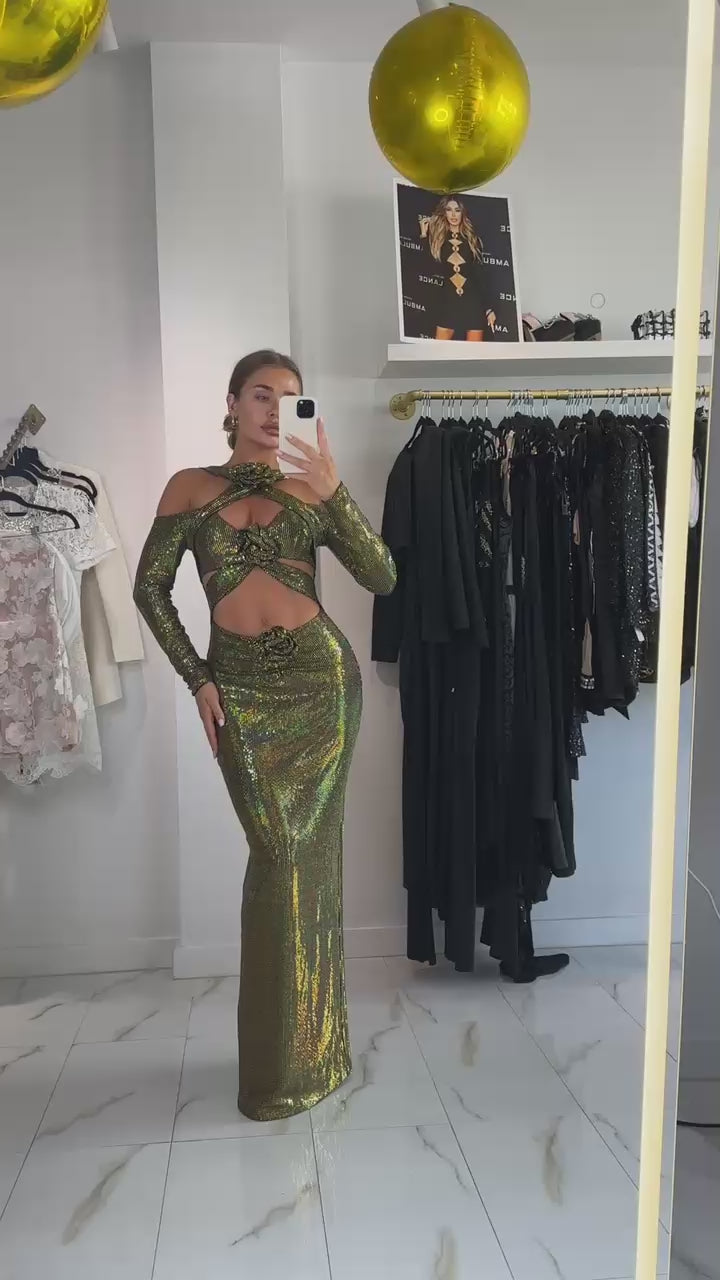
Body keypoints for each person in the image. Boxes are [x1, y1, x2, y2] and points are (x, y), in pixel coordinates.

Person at [133, 350, 396, 1121]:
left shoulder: (311, 487)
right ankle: (287, 1058)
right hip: (241, 693)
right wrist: (198, 677)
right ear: (232, 403)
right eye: (261, 394)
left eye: (290, 398)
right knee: (278, 857)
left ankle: (309, 1057)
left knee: (305, 861)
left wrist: (336, 491)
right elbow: (150, 588)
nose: (275, 410)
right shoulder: (190, 487)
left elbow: (382, 575)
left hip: (322, 688)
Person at [419, 196, 497, 341]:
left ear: (463, 213)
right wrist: (424, 235)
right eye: (449, 210)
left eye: (457, 210)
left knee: (474, 353)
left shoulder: (472, 239)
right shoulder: (438, 239)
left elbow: (480, 275)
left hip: (473, 302)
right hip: (448, 302)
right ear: (444, 213)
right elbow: (428, 267)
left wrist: (488, 309)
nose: (453, 215)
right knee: (439, 351)